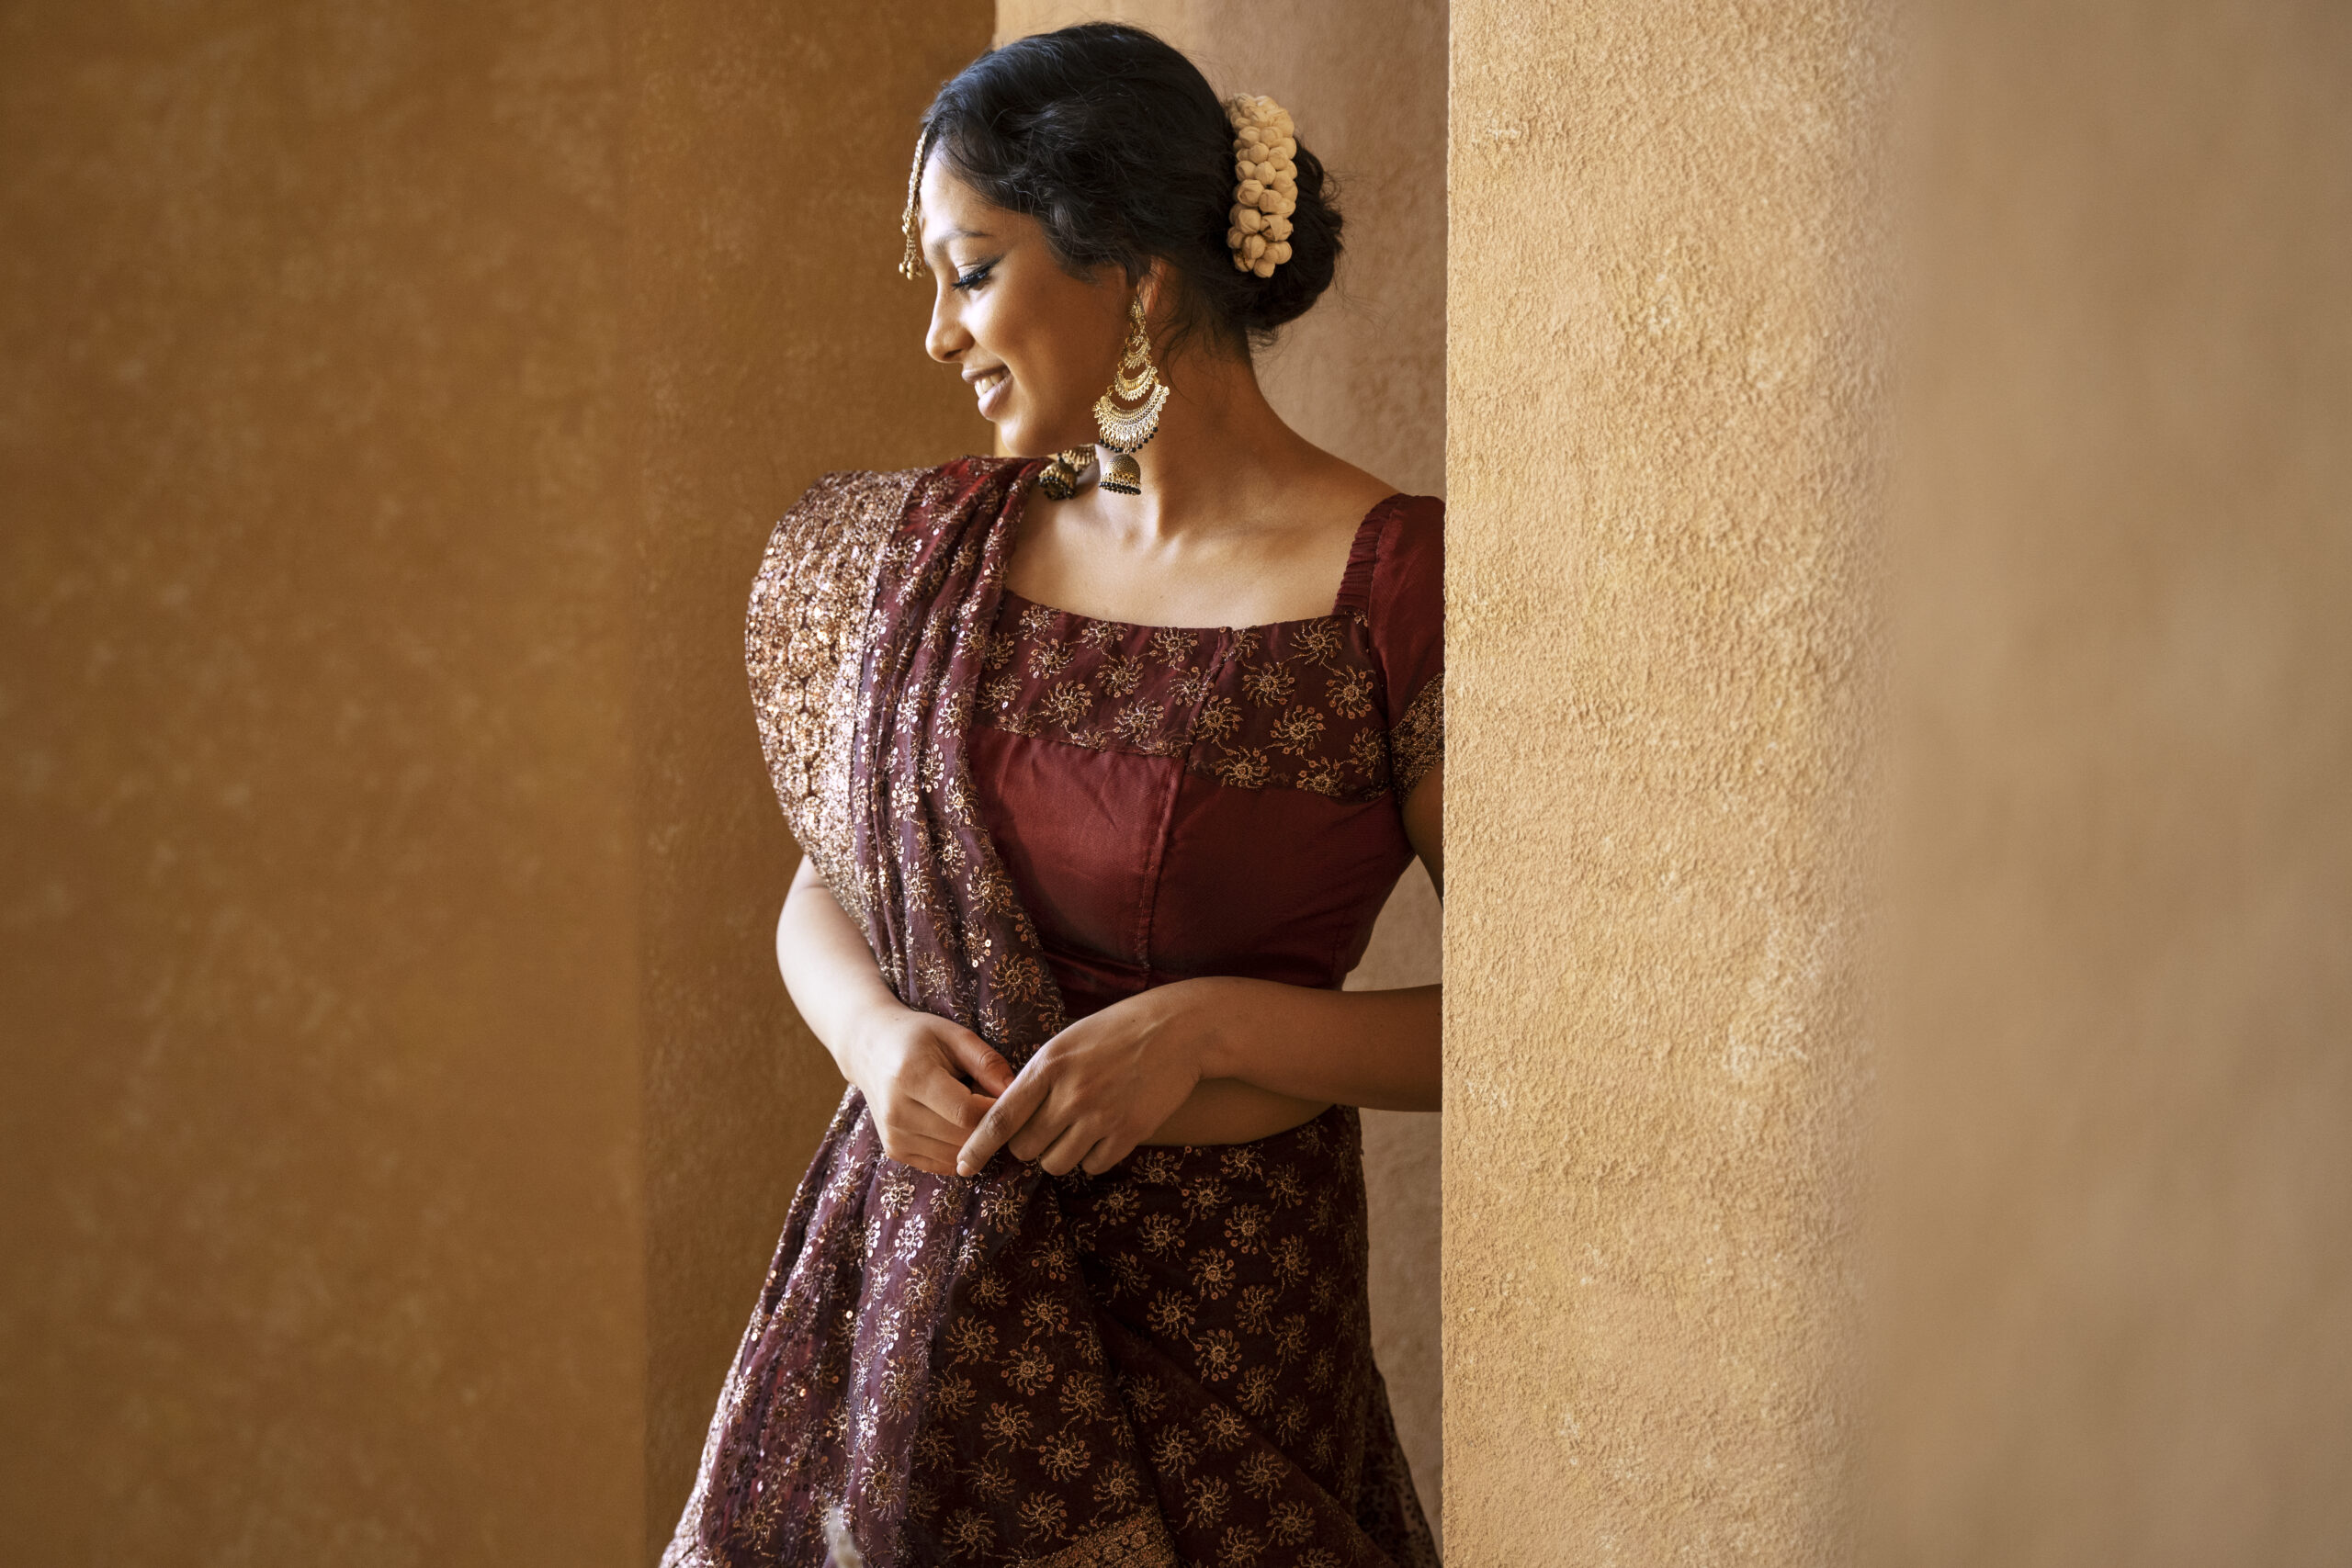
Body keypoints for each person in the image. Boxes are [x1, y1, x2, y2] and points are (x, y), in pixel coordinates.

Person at [663, 24, 1442, 1568]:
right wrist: (873, 1040)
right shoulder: (943, 553)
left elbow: (1554, 1028)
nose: (938, 336)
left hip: (1223, 1331)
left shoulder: (1390, 586)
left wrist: (1214, 1028)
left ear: (1133, 276)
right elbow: (830, 880)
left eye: (971, 272)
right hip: (912, 1318)